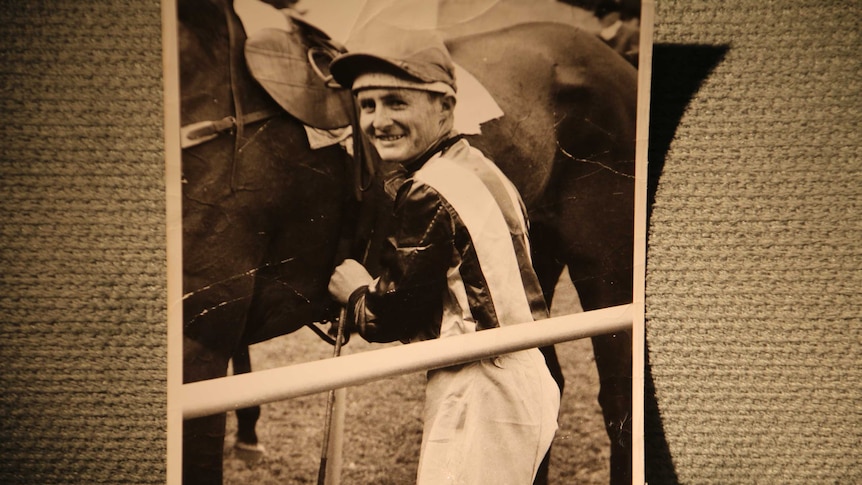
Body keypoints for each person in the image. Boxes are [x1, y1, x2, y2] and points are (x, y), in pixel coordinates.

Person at [327, 29, 560, 484]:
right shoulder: (479, 168)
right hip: (524, 375)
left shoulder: (428, 191)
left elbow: (390, 315)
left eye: (397, 102)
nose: (378, 120)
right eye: (368, 105)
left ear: (445, 107)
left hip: (481, 388)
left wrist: (355, 293)